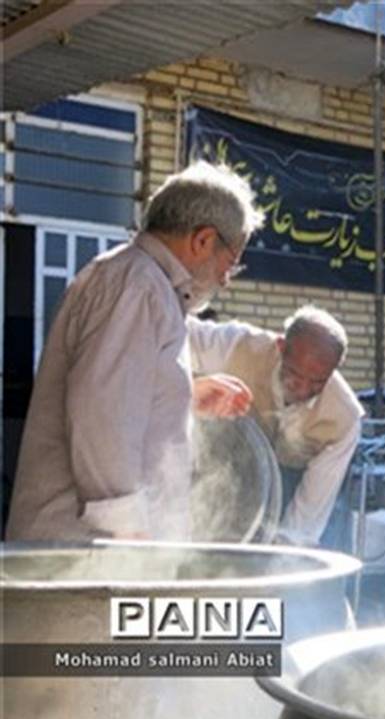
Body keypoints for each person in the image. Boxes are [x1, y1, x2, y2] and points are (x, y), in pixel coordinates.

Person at [7, 162, 261, 541]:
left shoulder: (143, 283)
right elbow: (103, 412)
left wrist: (186, 395)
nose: (226, 278)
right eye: (232, 261)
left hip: (99, 548)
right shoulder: (137, 284)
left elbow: (120, 393)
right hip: (85, 549)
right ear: (203, 240)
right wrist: (127, 529)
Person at [188, 305, 363, 548]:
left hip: (296, 483)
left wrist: (281, 556)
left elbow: (307, 516)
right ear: (281, 347)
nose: (303, 389)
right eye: (295, 374)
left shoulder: (344, 419)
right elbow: (177, 336)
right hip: (231, 466)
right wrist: (195, 386)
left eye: (317, 382)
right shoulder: (240, 346)